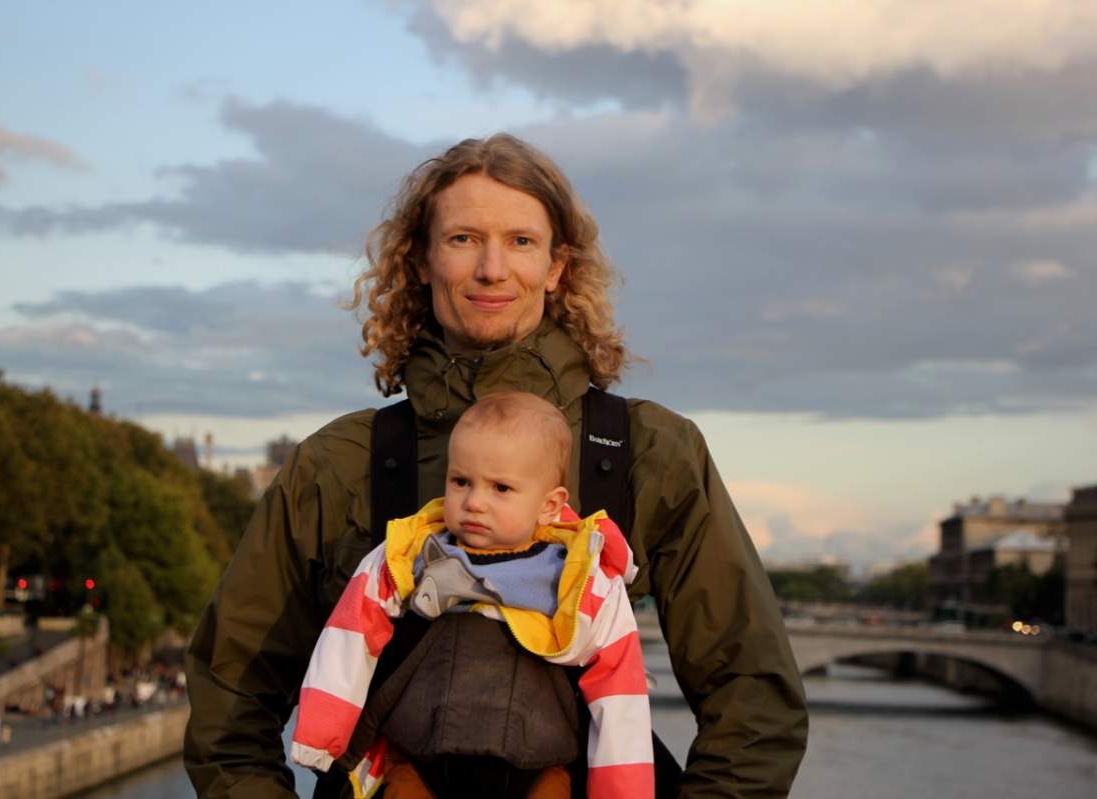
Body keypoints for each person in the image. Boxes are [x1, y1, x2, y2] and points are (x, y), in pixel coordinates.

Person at [184, 133, 808, 798]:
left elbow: (754, 701)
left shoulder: (651, 452)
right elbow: (230, 703)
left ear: (557, 266)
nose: (491, 269)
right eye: (462, 239)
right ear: (420, 260)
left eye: (520, 241)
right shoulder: (335, 466)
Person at [290, 391, 651, 798]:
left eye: (501, 488)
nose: (475, 502)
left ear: (549, 505)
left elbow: (620, 691)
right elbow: (350, 635)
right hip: (416, 759)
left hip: (539, 768)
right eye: (461, 481)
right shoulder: (406, 554)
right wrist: (321, 735)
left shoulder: (582, 578)